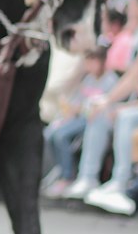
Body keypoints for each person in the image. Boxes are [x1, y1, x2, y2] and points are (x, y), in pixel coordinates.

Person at [62, 1, 138, 203]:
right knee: (101, 112)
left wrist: (126, 106)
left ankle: (122, 181)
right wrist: (107, 101)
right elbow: (130, 79)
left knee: (125, 117)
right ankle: (88, 177)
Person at [41, 46, 119, 197]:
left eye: (93, 60)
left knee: (61, 136)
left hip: (95, 120)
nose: (90, 65)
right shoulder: (88, 79)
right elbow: (77, 104)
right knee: (49, 133)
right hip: (79, 117)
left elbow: (107, 107)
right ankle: (61, 168)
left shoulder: (111, 80)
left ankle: (67, 175)